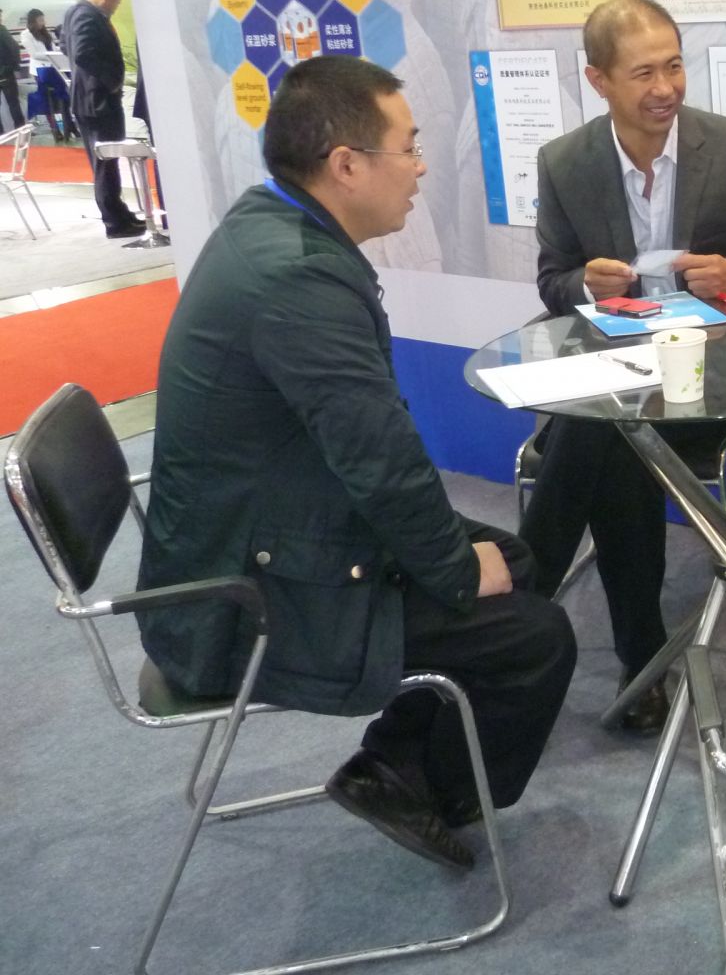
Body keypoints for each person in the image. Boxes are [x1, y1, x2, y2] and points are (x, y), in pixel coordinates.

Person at [137, 55, 576, 870]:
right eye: (408, 148)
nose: (420, 168)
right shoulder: (298, 278)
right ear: (346, 165)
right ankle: (417, 781)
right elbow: (380, 461)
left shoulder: (273, 226)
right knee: (534, 637)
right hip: (233, 601)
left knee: (516, 561)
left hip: (258, 530)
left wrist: (458, 560)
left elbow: (374, 450)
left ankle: (395, 761)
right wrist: (453, 571)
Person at [521, 0, 726, 731]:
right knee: (616, 438)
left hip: (713, 378)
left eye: (674, 67)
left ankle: (528, 595)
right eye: (643, 73)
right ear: (598, 80)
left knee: (601, 435)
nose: (665, 88)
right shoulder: (565, 163)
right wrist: (587, 285)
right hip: (616, 375)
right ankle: (638, 659)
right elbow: (553, 281)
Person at [61, 0, 141, 237]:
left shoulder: (77, 13)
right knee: (105, 162)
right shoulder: (86, 15)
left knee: (108, 161)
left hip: (93, 99)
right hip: (96, 101)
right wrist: (111, 81)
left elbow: (65, 46)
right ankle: (115, 222)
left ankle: (119, 212)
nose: (118, 3)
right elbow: (82, 53)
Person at [21, 8, 73, 141]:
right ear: (33, 21)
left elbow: (53, 48)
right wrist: (51, 56)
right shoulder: (26, 35)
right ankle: (54, 128)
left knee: (63, 98)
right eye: (40, 20)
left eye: (43, 20)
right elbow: (34, 54)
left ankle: (69, 125)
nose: (42, 23)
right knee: (47, 101)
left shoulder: (46, 33)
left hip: (54, 69)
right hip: (40, 71)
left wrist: (59, 54)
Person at [0, 9, 23, 132]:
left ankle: (1, 135)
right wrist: (15, 66)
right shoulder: (1, 30)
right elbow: (14, 47)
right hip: (5, 72)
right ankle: (21, 130)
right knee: (13, 103)